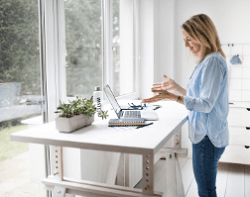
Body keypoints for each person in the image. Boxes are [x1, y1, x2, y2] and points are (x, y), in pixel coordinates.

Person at [142, 14, 228, 197]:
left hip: (208, 138)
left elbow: (205, 105)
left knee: (205, 191)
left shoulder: (212, 61)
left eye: (189, 39)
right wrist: (177, 88)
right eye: (184, 40)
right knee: (206, 188)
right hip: (209, 136)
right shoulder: (208, 60)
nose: (186, 45)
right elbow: (198, 97)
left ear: (203, 35)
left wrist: (173, 97)